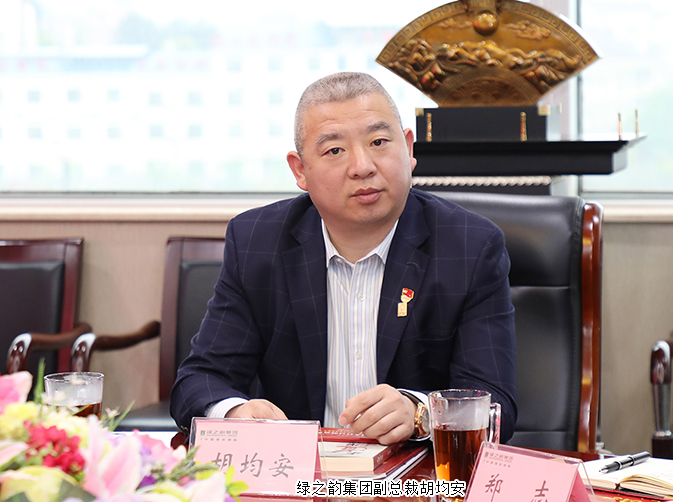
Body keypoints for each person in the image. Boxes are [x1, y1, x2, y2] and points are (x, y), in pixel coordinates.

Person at [170, 72, 517, 445]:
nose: (362, 166)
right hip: (302, 473)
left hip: (417, 474)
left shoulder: (468, 246)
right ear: (300, 170)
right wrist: (235, 413)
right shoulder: (258, 242)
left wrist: (420, 413)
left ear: (408, 148)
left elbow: (495, 404)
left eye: (379, 142)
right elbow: (198, 381)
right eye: (335, 150)